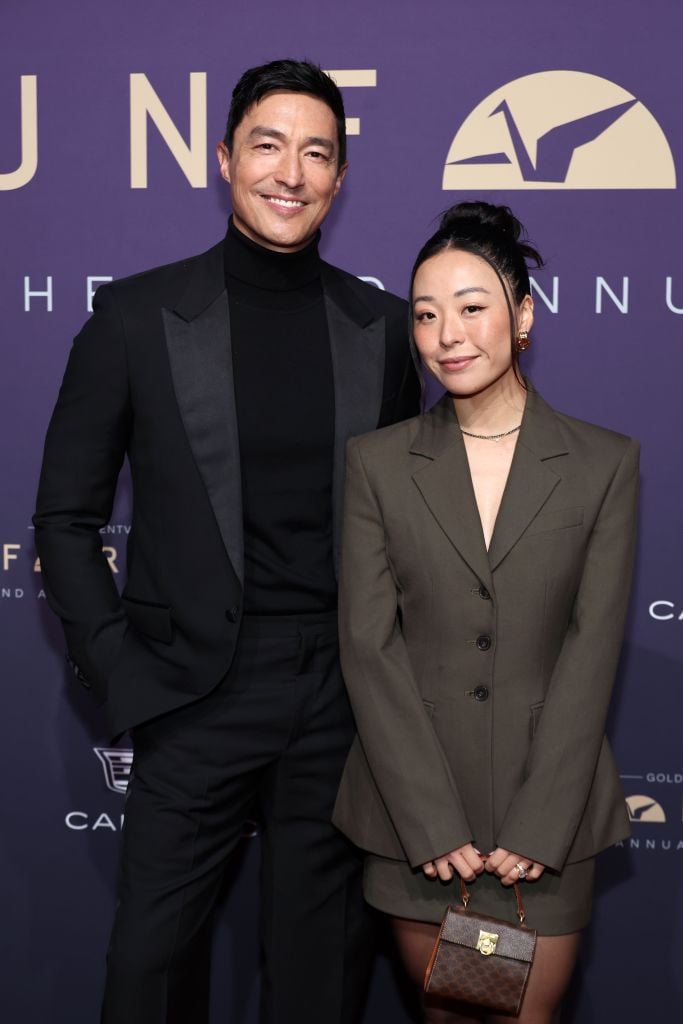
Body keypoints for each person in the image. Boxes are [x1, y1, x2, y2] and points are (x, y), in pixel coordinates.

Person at [33, 59, 418, 1024]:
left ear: (340, 177)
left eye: (316, 153)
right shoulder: (135, 318)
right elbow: (64, 519)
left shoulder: (379, 329)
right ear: (223, 159)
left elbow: (408, 529)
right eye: (267, 145)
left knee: (318, 981)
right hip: (192, 692)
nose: (291, 172)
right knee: (149, 974)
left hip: (337, 700)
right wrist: (121, 666)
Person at [333, 202, 638, 1023]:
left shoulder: (602, 464)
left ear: (522, 315)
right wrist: (428, 822)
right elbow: (368, 646)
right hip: (419, 826)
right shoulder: (377, 464)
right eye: (425, 314)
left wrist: (541, 825)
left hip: (548, 824)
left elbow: (591, 650)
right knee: (451, 1016)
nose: (447, 335)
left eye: (471, 307)